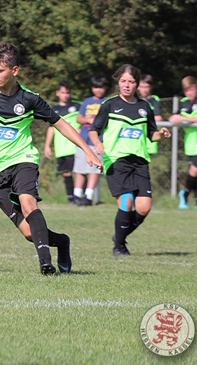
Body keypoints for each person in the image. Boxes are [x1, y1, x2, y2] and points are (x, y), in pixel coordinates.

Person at [0, 42, 102, 275]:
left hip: (23, 159)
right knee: (29, 232)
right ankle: (62, 242)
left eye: (0, 70)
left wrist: (87, 150)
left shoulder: (30, 99)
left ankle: (46, 264)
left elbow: (60, 124)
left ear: (14, 70)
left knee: (28, 202)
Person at [88, 65, 171, 256]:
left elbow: (151, 134)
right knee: (126, 202)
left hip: (140, 160)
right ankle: (119, 246)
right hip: (116, 159)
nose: (127, 85)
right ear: (118, 82)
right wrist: (97, 144)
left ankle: (118, 236)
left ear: (137, 84)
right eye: (123, 81)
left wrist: (161, 133)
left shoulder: (145, 107)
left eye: (131, 82)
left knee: (144, 208)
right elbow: (94, 130)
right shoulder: (109, 104)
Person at [168, 76, 197, 210]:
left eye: (191, 89)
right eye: (186, 90)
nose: (189, 93)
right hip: (190, 144)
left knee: (195, 170)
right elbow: (173, 116)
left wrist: (183, 118)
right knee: (195, 174)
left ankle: (185, 193)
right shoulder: (183, 103)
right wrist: (173, 118)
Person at [73, 74, 108, 206]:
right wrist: (88, 120)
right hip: (84, 140)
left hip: (98, 141)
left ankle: (88, 196)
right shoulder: (87, 101)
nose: (98, 90)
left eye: (101, 87)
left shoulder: (107, 102)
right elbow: (79, 118)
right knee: (80, 168)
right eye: (96, 87)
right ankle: (76, 195)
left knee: (94, 169)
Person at [44, 81, 82, 204]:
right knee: (66, 173)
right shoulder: (54, 110)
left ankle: (81, 196)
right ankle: (71, 197)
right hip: (61, 148)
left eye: (67, 93)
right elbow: (51, 128)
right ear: (57, 93)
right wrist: (47, 146)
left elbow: (84, 122)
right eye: (63, 92)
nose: (65, 95)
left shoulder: (77, 107)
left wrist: (82, 130)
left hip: (75, 147)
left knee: (79, 171)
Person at [138, 74, 164, 155]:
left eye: (146, 87)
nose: (144, 90)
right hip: (137, 138)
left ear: (151, 87)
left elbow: (158, 118)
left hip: (149, 138)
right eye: (142, 87)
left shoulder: (154, 100)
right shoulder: (135, 100)